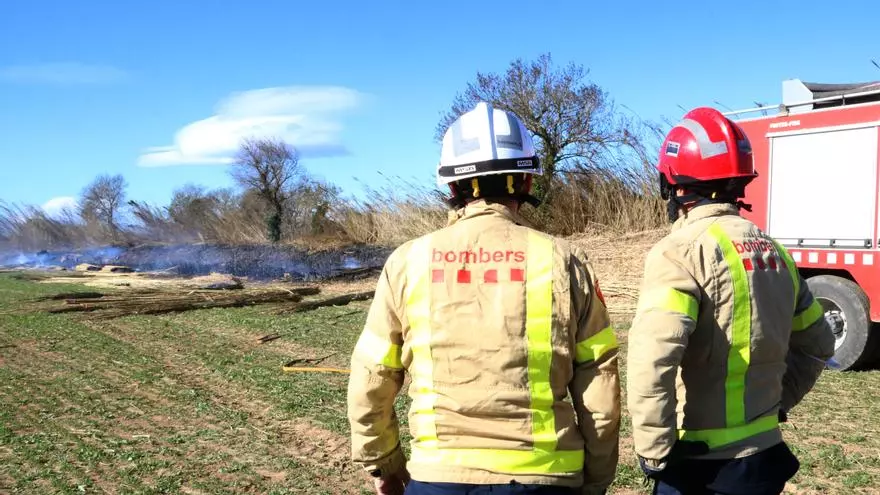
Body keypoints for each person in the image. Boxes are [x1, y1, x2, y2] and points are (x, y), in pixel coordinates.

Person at [346, 101, 622, 495]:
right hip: (547, 478)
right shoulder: (565, 260)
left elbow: (372, 374)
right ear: (526, 182)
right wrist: (595, 478)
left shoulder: (409, 261)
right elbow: (600, 385)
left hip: (439, 476)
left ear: (451, 186)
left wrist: (383, 463)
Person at [625, 106, 836, 495]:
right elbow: (820, 344)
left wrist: (653, 452)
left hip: (700, 466)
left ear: (673, 183)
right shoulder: (776, 252)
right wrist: (775, 405)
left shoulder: (680, 251)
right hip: (764, 459)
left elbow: (652, 360)